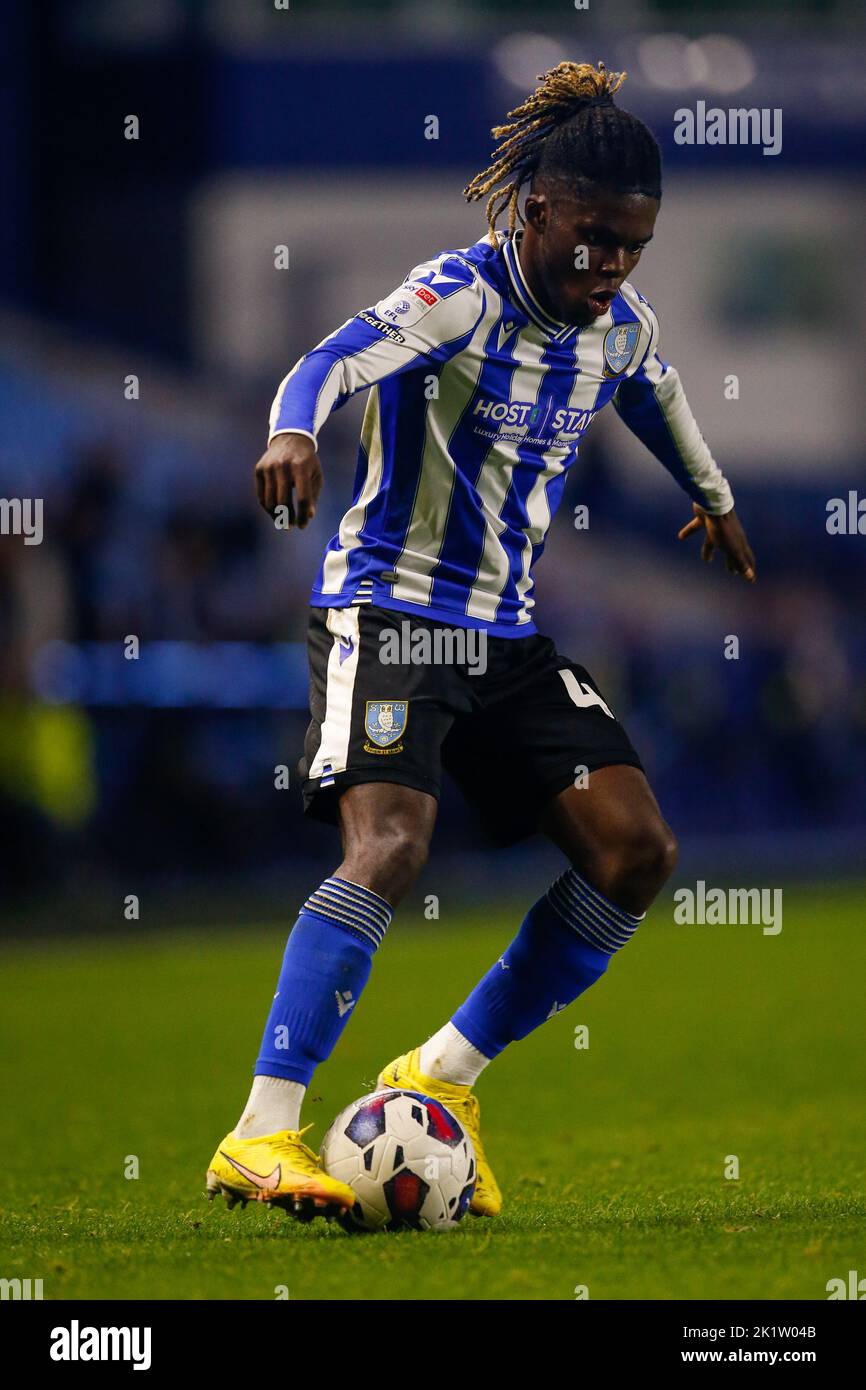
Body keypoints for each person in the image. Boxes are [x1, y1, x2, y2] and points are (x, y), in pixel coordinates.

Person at [206, 60, 756, 1222]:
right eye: (591, 238)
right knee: (391, 846)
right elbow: (327, 359)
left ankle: (437, 1077)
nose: (606, 266)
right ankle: (259, 1135)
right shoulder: (453, 295)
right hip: (390, 611)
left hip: (503, 638)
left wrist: (710, 495)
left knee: (633, 850)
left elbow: (654, 387)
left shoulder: (617, 325)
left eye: (631, 247)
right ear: (534, 210)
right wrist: (293, 430)